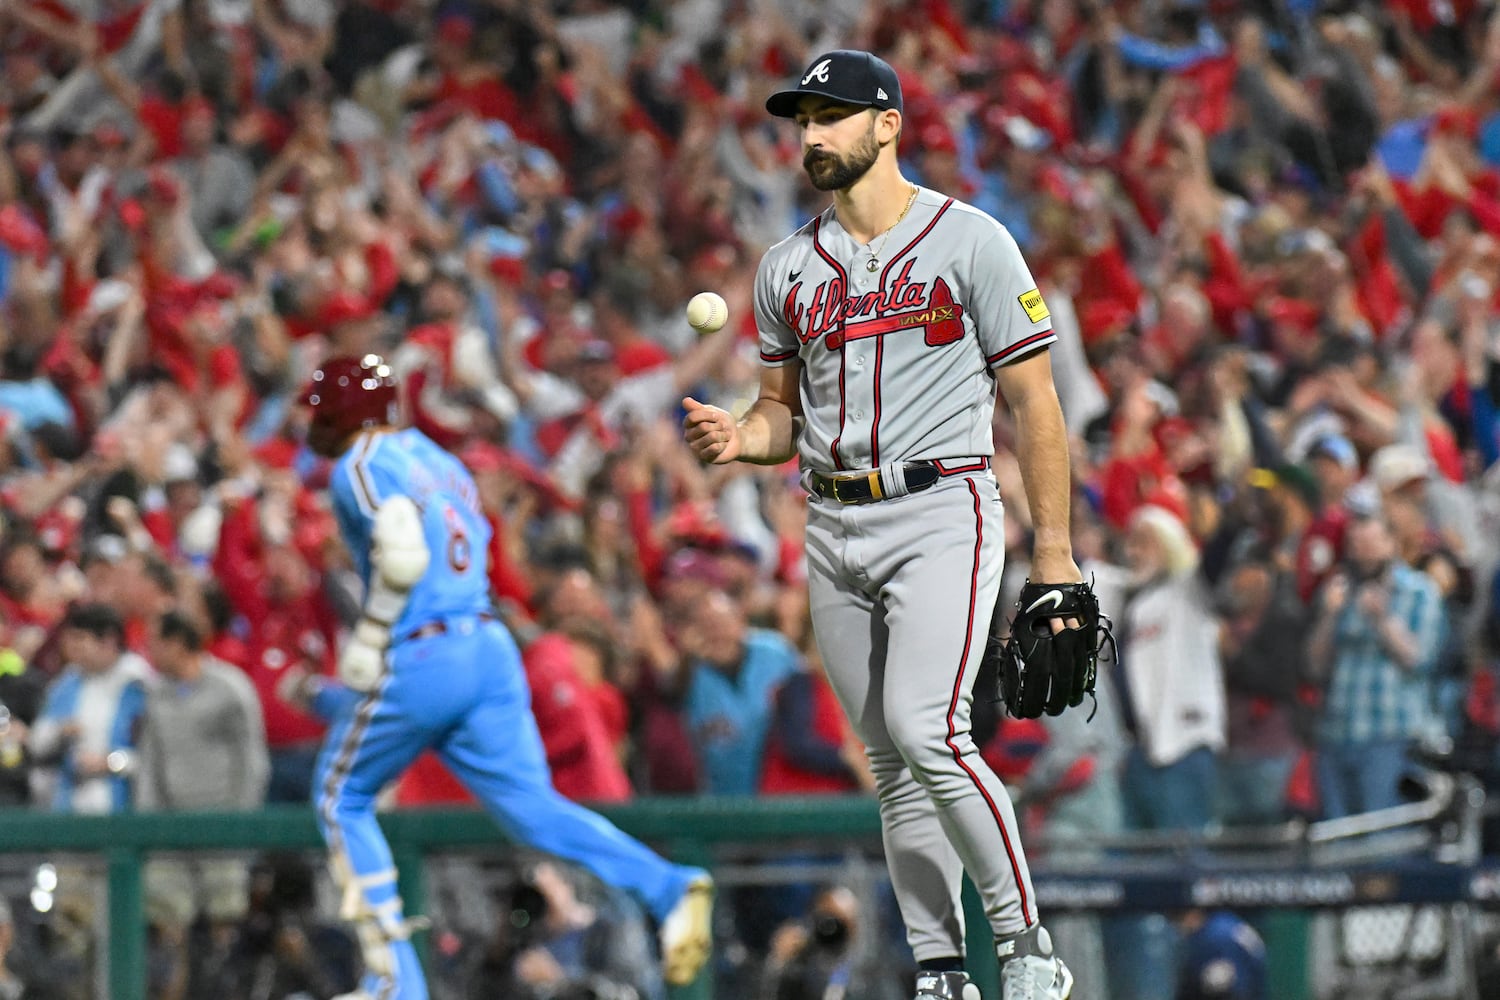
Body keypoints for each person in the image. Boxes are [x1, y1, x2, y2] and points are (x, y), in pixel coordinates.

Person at [684, 50, 1080, 1000]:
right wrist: (744, 435)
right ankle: (941, 971)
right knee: (890, 762)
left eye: (831, 116)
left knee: (926, 727)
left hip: (944, 505)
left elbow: (1036, 402)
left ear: (888, 123)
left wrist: (1055, 554)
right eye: (803, 120)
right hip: (831, 521)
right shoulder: (785, 267)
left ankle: (1026, 947)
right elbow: (785, 414)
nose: (812, 135)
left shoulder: (973, 241)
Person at [298, 354, 712, 1000]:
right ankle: (667, 884)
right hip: (487, 645)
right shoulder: (441, 461)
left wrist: (372, 636)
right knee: (533, 810)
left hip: (425, 646)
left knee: (339, 796)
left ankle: (395, 983)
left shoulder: (361, 461)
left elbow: (402, 549)